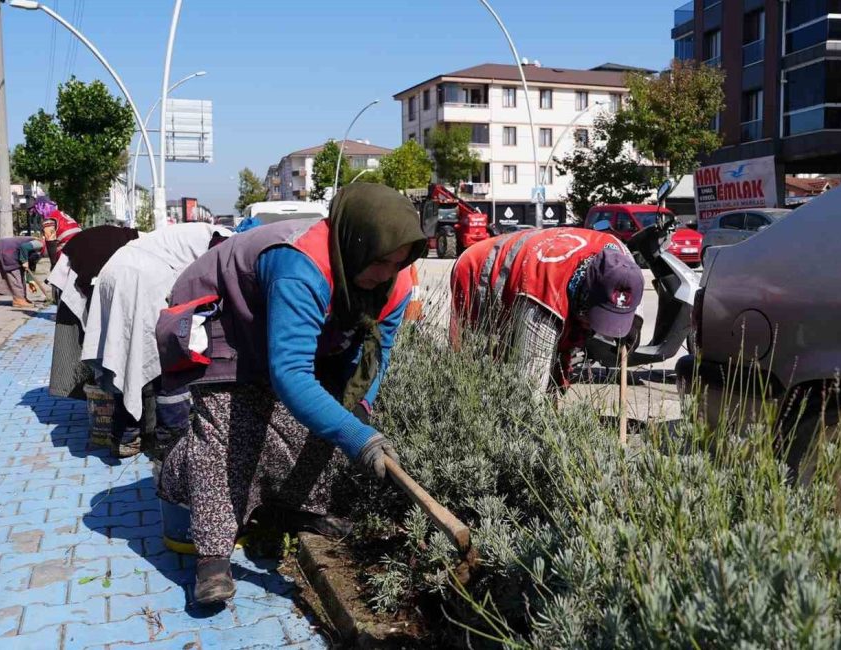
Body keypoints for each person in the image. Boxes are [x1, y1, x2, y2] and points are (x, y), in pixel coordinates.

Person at [155, 183, 426, 604]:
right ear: (355, 243)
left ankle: (292, 507)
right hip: (225, 313)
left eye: (397, 262)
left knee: (330, 414)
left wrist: (362, 410)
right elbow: (291, 375)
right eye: (379, 261)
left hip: (276, 314)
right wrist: (359, 439)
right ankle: (212, 555)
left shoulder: (397, 280)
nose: (386, 273)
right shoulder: (301, 264)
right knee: (228, 425)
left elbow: (377, 356)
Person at [81, 222, 231, 456]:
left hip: (112, 271)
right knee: (170, 359)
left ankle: (125, 436)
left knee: (126, 359)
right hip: (143, 276)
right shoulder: (226, 241)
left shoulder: (191, 233)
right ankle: (171, 441)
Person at [450, 227, 645, 394]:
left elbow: (629, 305)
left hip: (539, 273)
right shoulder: (543, 292)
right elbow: (529, 389)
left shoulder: (623, 263)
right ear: (584, 295)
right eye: (593, 318)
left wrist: (629, 326)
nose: (596, 328)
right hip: (478, 271)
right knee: (476, 372)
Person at [47, 225, 139, 400]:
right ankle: (100, 389)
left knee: (91, 336)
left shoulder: (125, 245)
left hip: (80, 273)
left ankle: (98, 386)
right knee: (89, 337)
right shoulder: (130, 247)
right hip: (82, 277)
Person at [0, 235, 45, 308]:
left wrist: (30, 280)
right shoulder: (40, 244)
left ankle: (22, 298)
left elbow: (32, 263)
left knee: (20, 276)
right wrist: (24, 261)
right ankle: (18, 300)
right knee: (15, 276)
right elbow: (24, 247)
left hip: (14, 252)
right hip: (8, 250)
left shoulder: (40, 250)